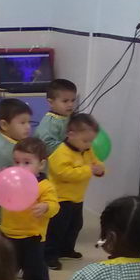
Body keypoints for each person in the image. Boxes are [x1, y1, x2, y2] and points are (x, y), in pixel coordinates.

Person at [0, 138, 59, 280]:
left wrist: (45, 207)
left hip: (33, 236)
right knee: (6, 265)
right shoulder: (11, 180)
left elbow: (54, 205)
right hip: (8, 232)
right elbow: (1, 196)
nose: (20, 167)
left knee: (35, 267)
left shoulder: (44, 186)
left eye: (27, 162)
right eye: (16, 162)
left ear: (41, 164)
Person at [45, 113, 106, 270]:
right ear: (70, 134)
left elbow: (95, 162)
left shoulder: (86, 150)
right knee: (57, 228)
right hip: (60, 198)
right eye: (85, 140)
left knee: (75, 225)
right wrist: (88, 170)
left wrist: (100, 169)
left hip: (77, 197)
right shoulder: (61, 153)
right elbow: (64, 174)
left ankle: (66, 249)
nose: (88, 144)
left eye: (91, 141)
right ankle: (49, 255)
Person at [34, 78, 77, 154]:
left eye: (73, 100)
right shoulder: (50, 122)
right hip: (48, 160)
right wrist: (70, 145)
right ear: (51, 103)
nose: (70, 104)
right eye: (65, 101)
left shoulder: (69, 116)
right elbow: (46, 145)